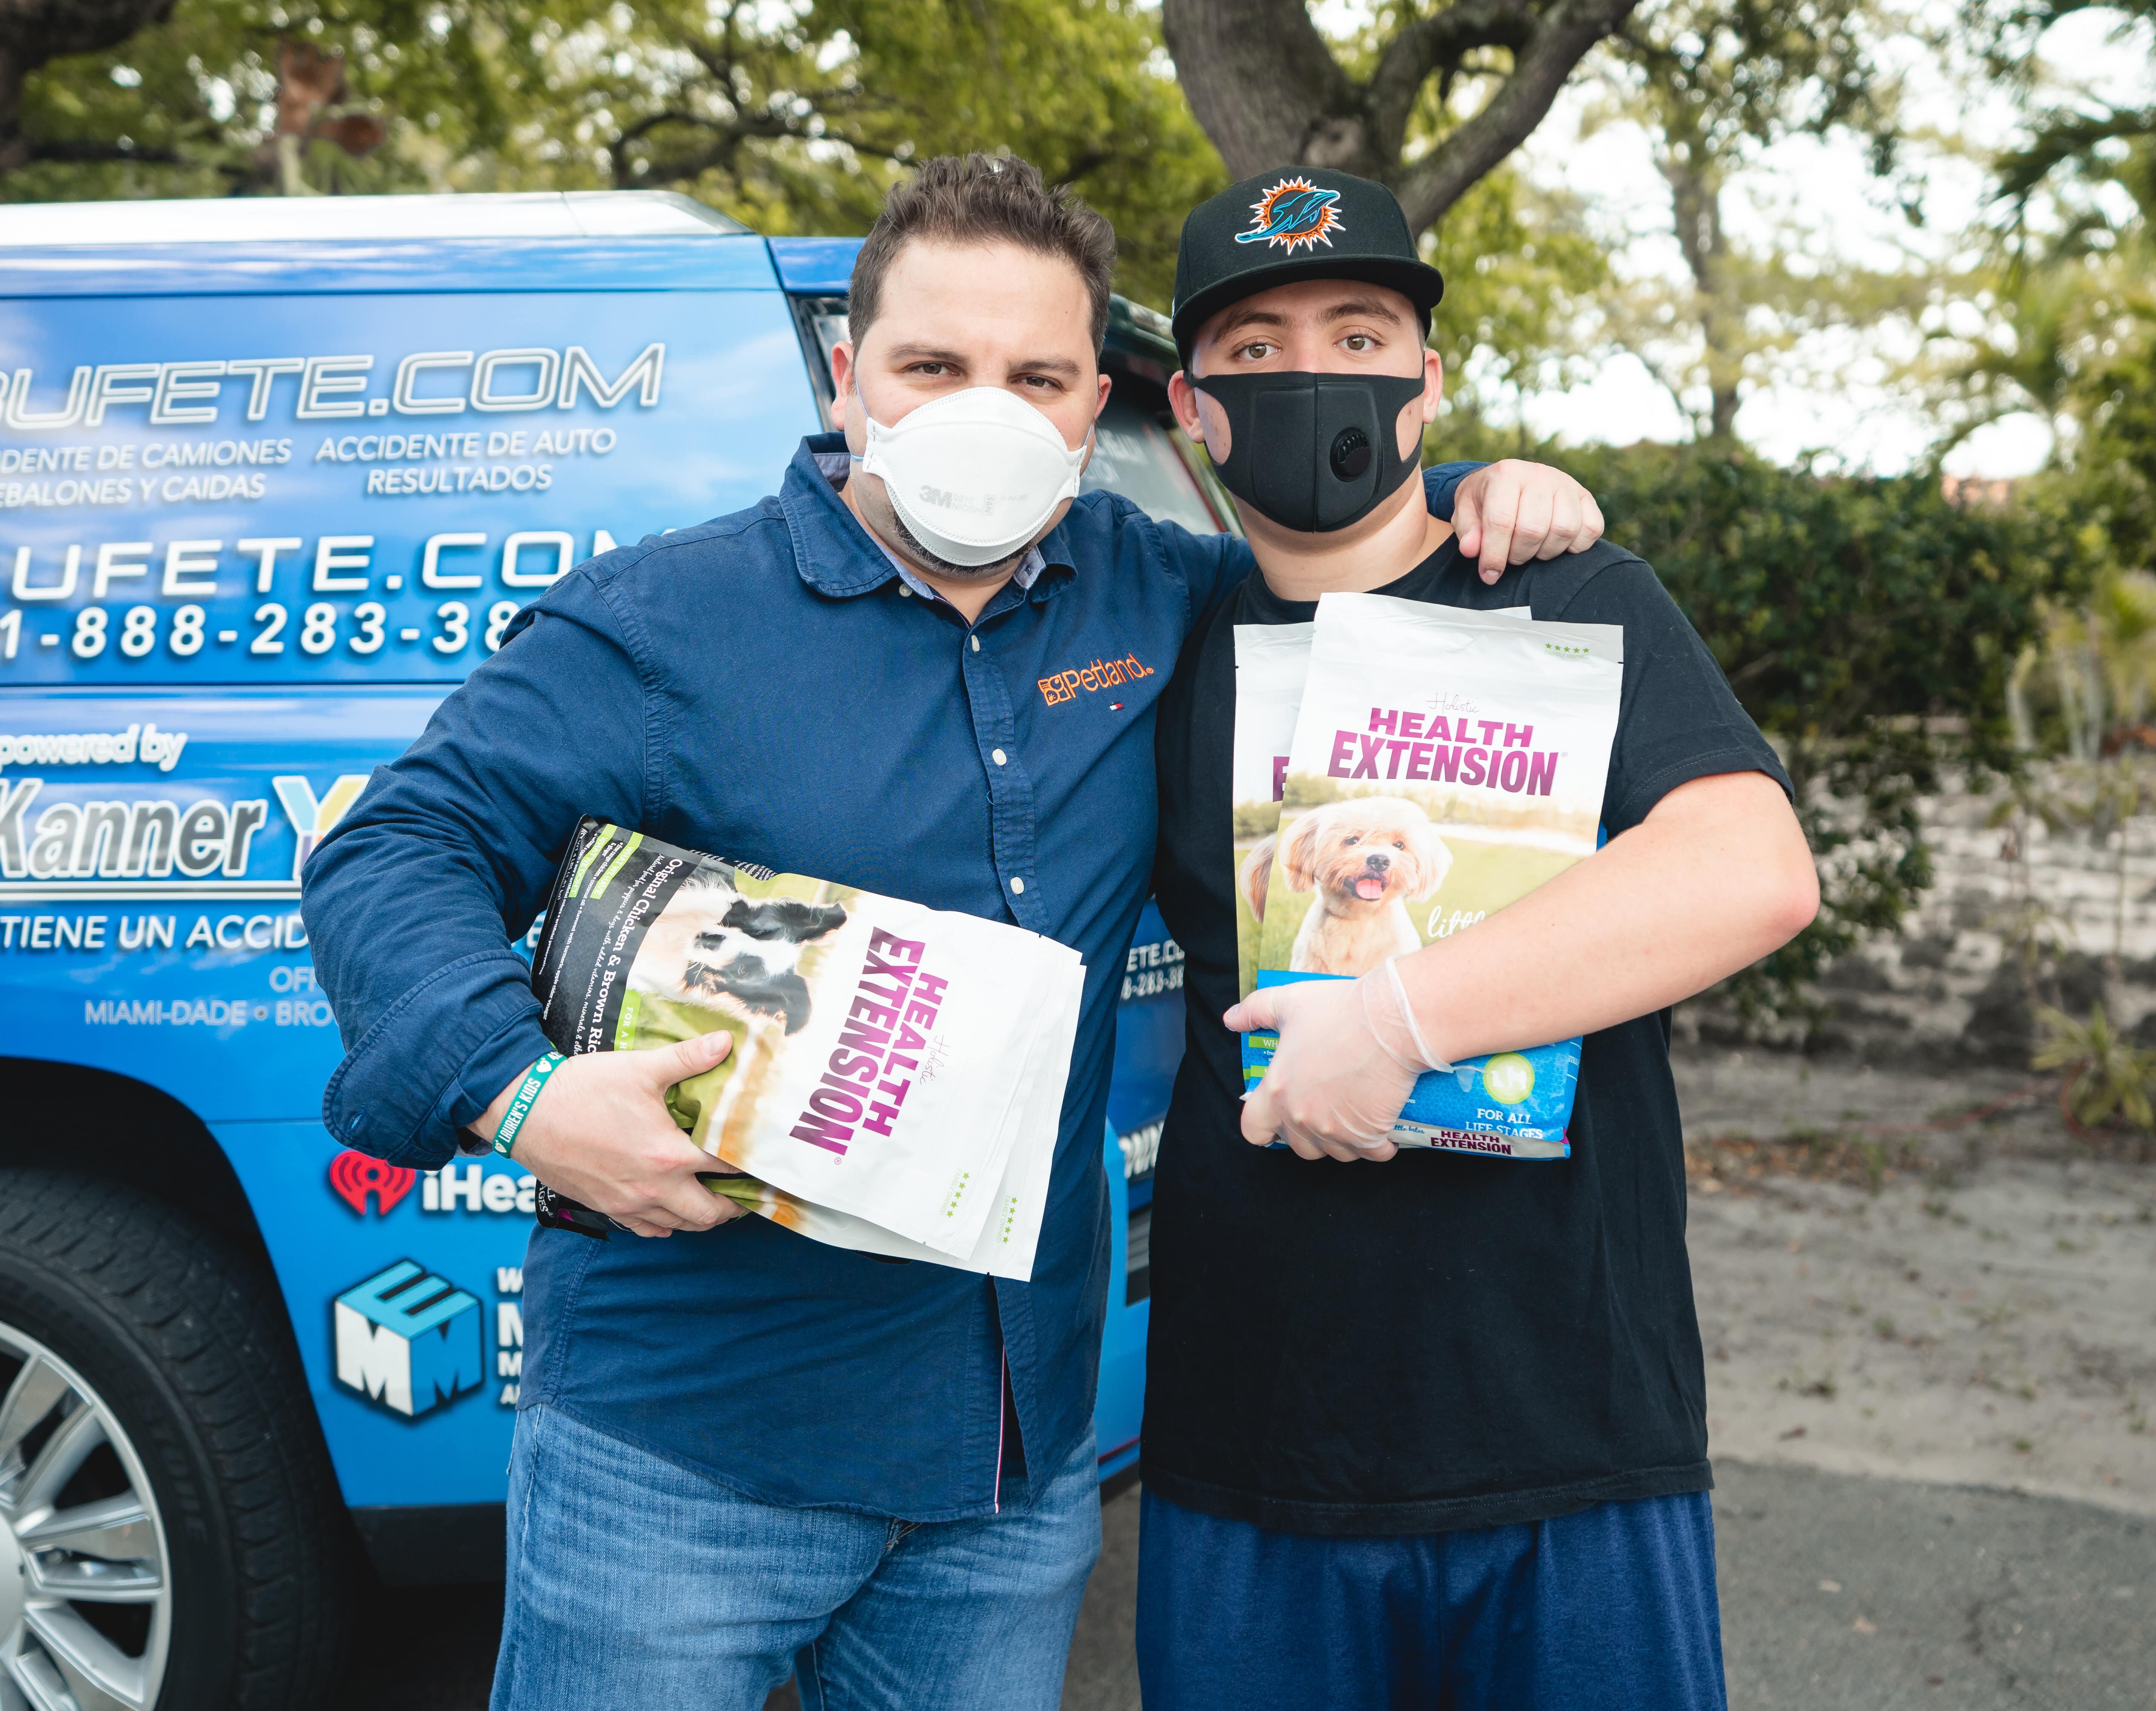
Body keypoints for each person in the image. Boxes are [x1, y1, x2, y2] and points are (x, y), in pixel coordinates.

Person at [301, 153, 1603, 1711]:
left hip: (1011, 1468)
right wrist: (520, 1097)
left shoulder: (1157, 593)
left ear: (1092, 406)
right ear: (851, 377)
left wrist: (1480, 495)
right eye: (935, 366)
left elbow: (1342, 546)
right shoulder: (659, 622)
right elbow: (395, 844)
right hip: (687, 1453)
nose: (986, 408)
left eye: (1037, 375)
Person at [1139, 166, 1822, 1710]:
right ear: (1192, 407)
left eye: (1360, 331)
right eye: (1255, 350)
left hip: (1568, 1436)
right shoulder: (1156, 645)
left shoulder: (1575, 596)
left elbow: (1752, 870)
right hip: (1253, 1448)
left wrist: (1394, 1022)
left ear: (1429, 383)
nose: (1315, 372)